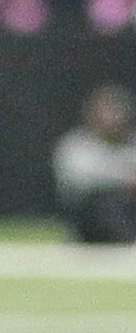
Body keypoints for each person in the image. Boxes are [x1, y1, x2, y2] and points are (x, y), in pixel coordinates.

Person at [53, 83, 136, 243]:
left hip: (130, 210)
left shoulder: (132, 145)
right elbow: (78, 179)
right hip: (90, 216)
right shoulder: (76, 145)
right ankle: (128, 244)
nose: (112, 119)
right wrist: (124, 180)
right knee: (105, 201)